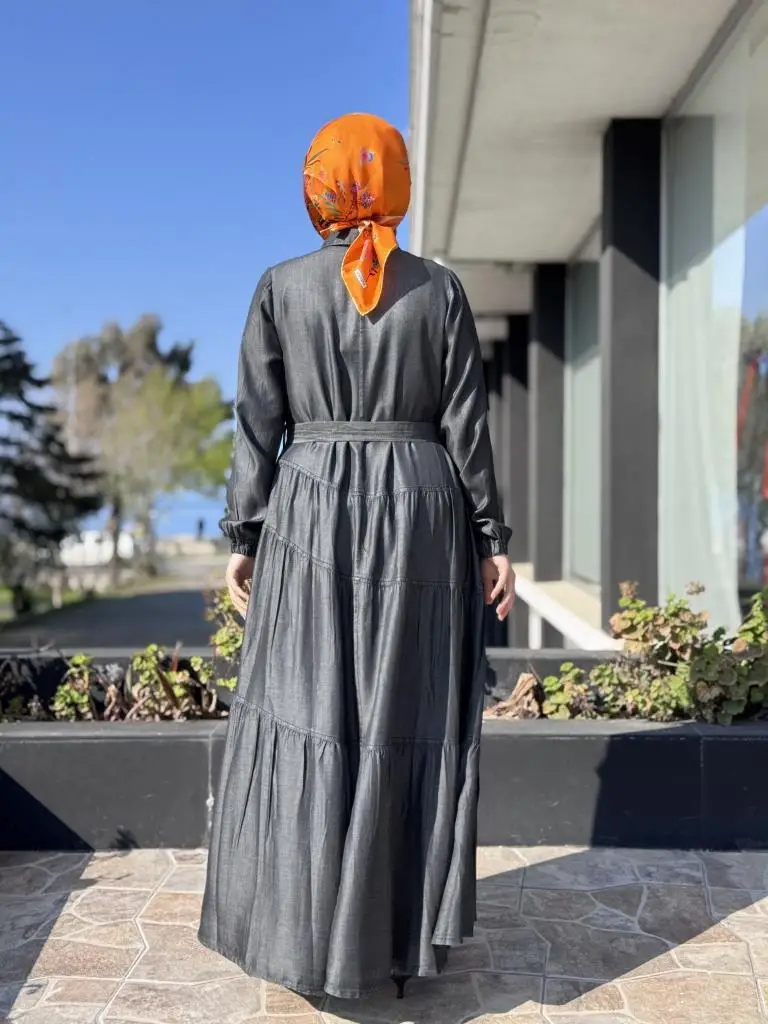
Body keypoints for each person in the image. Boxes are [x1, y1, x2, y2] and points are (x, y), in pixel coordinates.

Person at [198, 113, 515, 1001]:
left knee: (308, 706)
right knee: (402, 709)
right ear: (395, 182)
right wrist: (491, 536)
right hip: (421, 507)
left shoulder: (279, 287)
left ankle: (305, 936)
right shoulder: (440, 290)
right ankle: (391, 937)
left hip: (309, 505)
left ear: (319, 185)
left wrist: (243, 533)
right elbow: (466, 425)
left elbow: (257, 422)